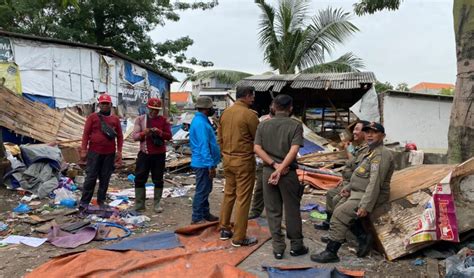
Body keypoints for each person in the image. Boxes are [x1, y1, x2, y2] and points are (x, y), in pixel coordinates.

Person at [311, 122, 395, 263]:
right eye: (367, 132)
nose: (369, 135)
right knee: (336, 202)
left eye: (374, 132)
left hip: (368, 195)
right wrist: (348, 188)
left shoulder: (381, 155)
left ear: (383, 136)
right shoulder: (370, 151)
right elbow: (360, 174)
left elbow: (375, 183)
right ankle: (362, 237)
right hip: (358, 191)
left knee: (340, 214)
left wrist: (365, 206)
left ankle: (331, 252)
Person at [254, 94, 308, 260]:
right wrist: (282, 168)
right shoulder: (296, 125)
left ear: (274, 107)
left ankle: (278, 248)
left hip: (269, 172)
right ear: (290, 108)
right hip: (288, 174)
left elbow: (256, 148)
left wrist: (274, 166)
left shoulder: (263, 125)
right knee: (292, 210)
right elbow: (294, 150)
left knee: (272, 211)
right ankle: (296, 246)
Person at [218, 85, 260, 247]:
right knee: (243, 198)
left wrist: (225, 154)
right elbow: (258, 139)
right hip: (243, 160)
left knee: (229, 194)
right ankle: (239, 237)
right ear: (248, 96)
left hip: (227, 159)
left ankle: (225, 228)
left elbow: (219, 138)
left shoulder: (226, 113)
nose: (254, 99)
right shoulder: (249, 115)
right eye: (253, 96)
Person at [314, 120, 369, 232]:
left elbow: (356, 167)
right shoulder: (360, 147)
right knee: (330, 194)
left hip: (356, 188)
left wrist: (348, 151)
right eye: (354, 129)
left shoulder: (368, 150)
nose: (354, 132)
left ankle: (341, 230)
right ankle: (329, 223)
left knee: (337, 200)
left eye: (357, 129)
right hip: (348, 183)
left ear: (365, 132)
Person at [79, 93, 123, 210]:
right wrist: (84, 149)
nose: (104, 106)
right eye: (102, 103)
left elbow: (120, 136)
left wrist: (119, 151)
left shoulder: (115, 119)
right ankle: (84, 202)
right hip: (94, 153)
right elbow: (86, 134)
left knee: (105, 178)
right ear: (99, 104)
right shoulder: (92, 117)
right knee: (90, 178)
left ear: (110, 105)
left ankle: (101, 201)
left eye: (106, 104)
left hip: (109, 153)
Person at [132, 98, 172, 212]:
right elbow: (134, 137)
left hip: (159, 155)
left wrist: (159, 132)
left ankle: (157, 204)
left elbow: (169, 136)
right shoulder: (140, 120)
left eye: (156, 110)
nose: (154, 112)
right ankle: (140, 205)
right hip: (145, 154)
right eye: (152, 109)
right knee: (140, 179)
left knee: (158, 179)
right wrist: (145, 132)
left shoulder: (164, 121)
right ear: (148, 108)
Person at [189, 96, 221, 224]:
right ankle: (197, 217)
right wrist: (210, 165)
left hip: (203, 161)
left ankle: (205, 213)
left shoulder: (202, 121)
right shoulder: (201, 123)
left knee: (206, 189)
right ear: (207, 108)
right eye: (212, 107)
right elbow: (203, 146)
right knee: (202, 190)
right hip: (203, 163)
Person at [248, 103, 275, 220]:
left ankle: (275, 214)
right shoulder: (261, 120)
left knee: (277, 191)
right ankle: (255, 211)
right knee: (260, 188)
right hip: (263, 161)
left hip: (279, 161)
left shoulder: (285, 122)